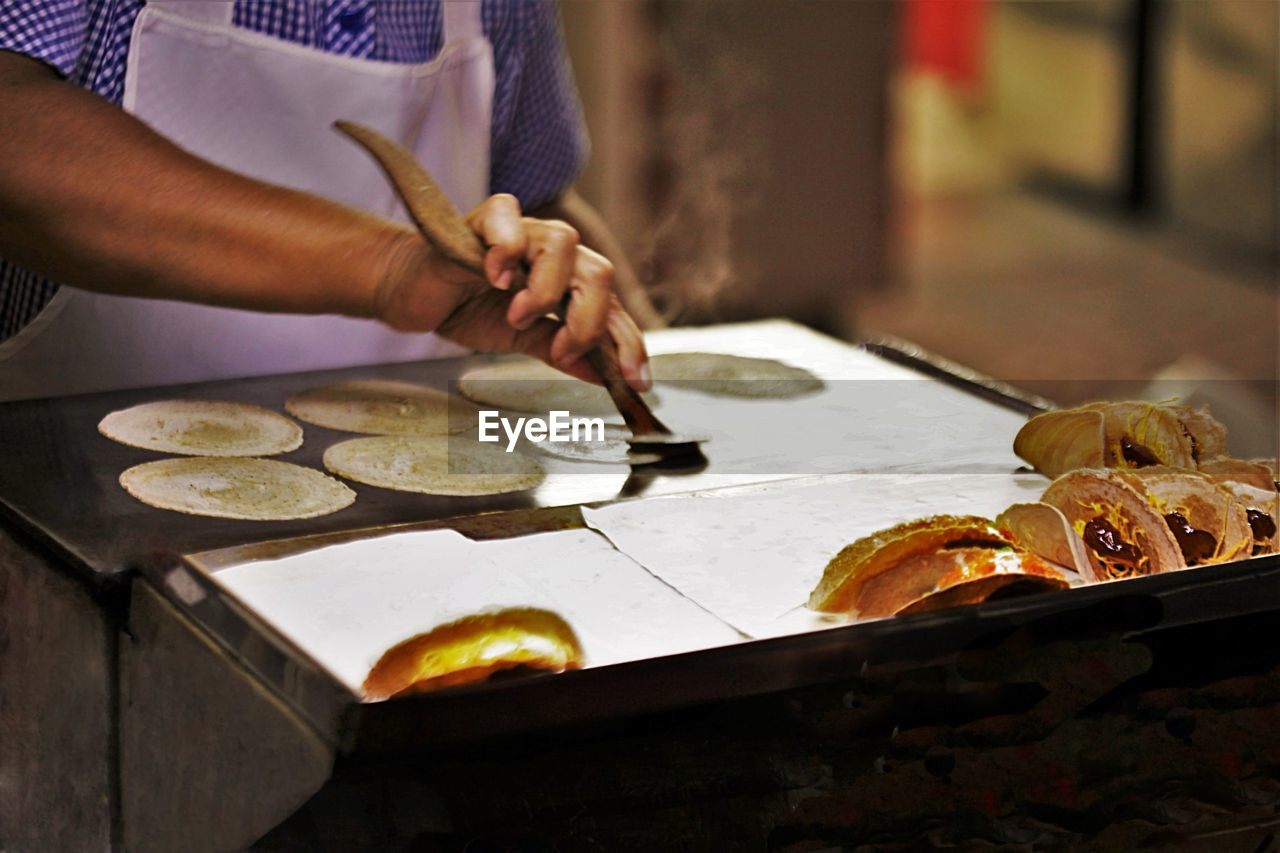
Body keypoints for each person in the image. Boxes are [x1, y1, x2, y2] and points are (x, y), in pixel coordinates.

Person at [0, 0, 659, 402]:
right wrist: (389, 268)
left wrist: (660, 371)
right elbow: (15, 135)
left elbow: (534, 192)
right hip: (86, 534)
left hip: (419, 529)